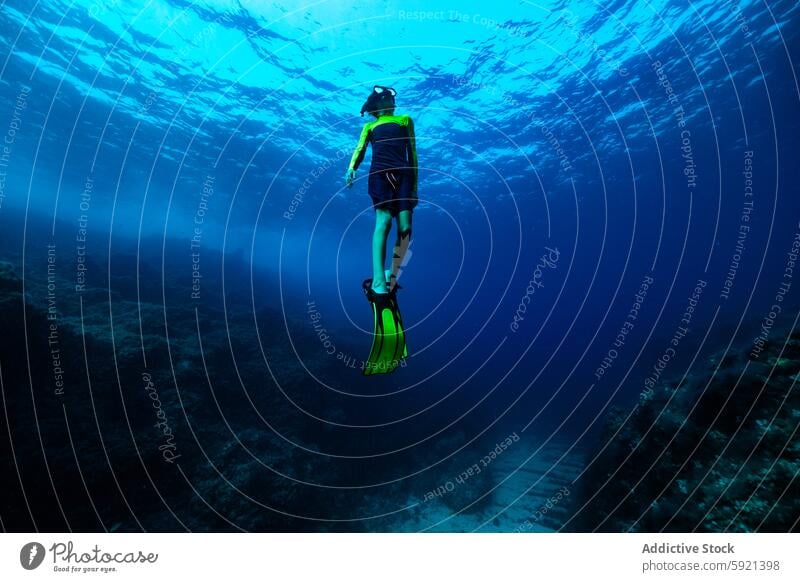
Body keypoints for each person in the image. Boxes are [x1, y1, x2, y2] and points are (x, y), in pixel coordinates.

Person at [345, 86, 418, 294]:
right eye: (386, 96)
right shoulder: (370, 126)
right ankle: (378, 281)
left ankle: (392, 275)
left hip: (404, 176)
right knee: (384, 222)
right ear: (376, 104)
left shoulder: (405, 119)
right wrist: (351, 168)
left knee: (405, 229)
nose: (392, 99)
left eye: (393, 96)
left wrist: (414, 187)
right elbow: (360, 148)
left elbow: (413, 153)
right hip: (379, 175)